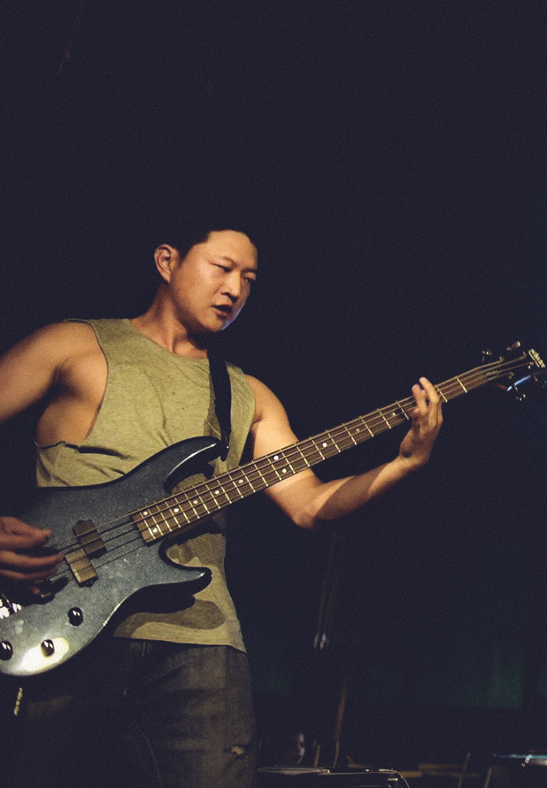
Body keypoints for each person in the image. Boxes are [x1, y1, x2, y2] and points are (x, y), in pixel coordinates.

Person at [0, 225, 443, 788]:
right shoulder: (73, 344)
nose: (235, 289)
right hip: (60, 618)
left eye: (250, 279)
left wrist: (402, 464)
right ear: (167, 260)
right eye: (222, 268)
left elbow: (310, 504)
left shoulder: (248, 393)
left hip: (202, 642)